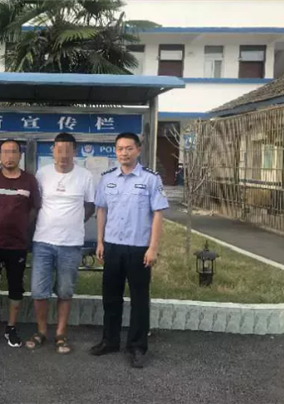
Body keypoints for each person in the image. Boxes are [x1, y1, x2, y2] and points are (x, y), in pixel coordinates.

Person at [90, 132, 169, 368]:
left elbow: (158, 214)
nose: (124, 153)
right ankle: (110, 340)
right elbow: (101, 210)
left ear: (138, 150)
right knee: (111, 297)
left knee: (139, 299)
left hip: (139, 248)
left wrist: (153, 247)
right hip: (113, 246)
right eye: (120, 149)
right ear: (115, 151)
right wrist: (100, 242)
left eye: (128, 148)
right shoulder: (107, 179)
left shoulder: (150, 179)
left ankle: (137, 346)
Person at [26, 132, 95, 354]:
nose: (63, 155)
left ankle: (61, 333)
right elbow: (35, 204)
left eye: (68, 150)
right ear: (52, 151)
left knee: (65, 290)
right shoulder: (42, 174)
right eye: (59, 150)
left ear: (75, 152)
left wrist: (73, 222)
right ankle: (41, 331)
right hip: (43, 241)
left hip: (71, 244)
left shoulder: (85, 176)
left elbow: (90, 206)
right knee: (39, 290)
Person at [0, 139, 41, 349]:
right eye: (5, 152)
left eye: (13, 152)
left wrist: (23, 226)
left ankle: (11, 327)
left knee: (15, 287)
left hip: (17, 245)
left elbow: (35, 207)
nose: (9, 156)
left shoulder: (29, 180)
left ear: (20, 156)